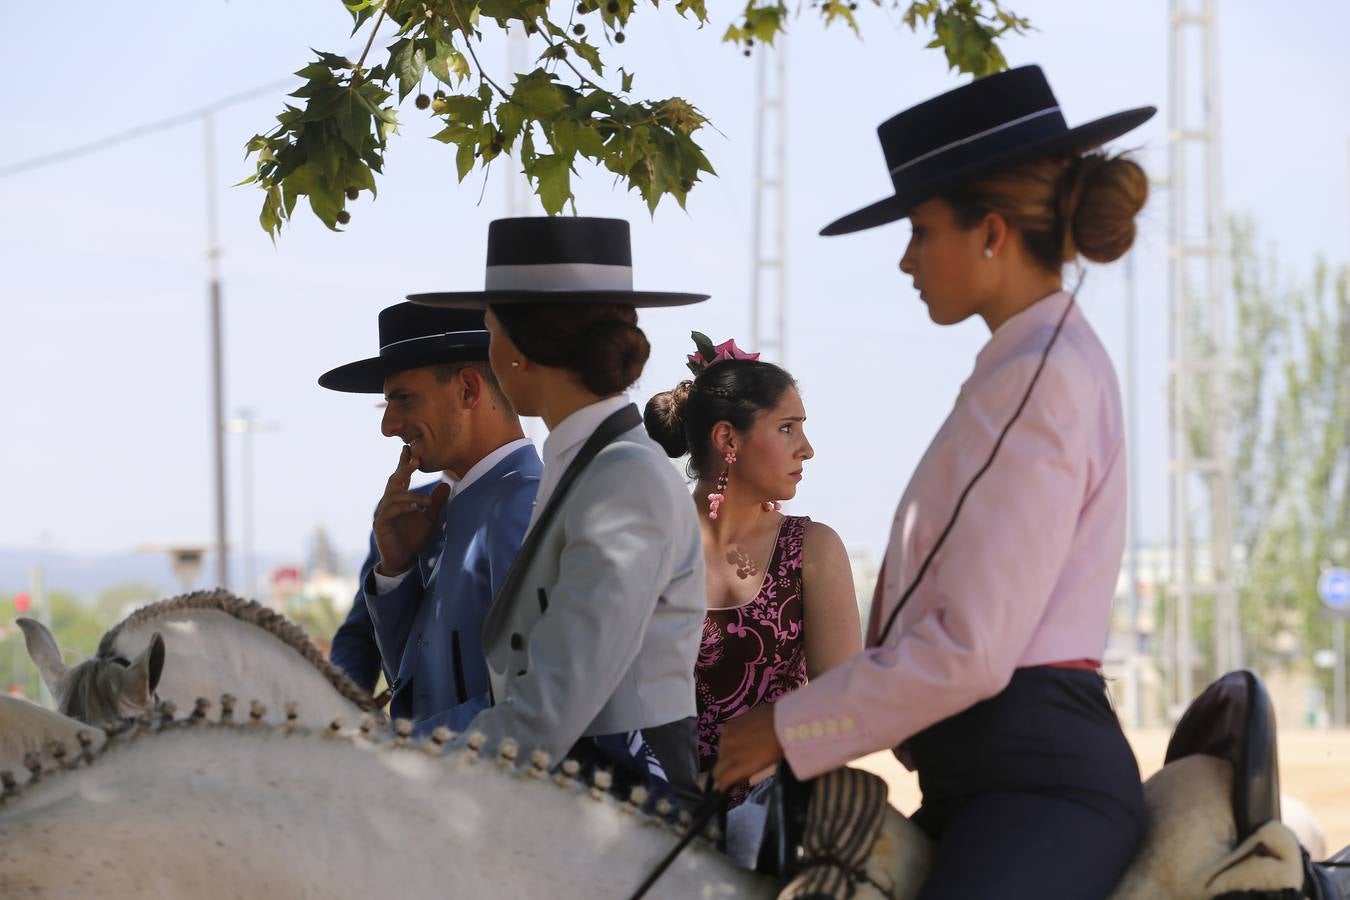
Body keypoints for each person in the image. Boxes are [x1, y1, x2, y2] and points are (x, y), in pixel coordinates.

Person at [715, 65, 1155, 898]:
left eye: (920, 231)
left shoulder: (1042, 378)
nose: (907, 260)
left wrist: (785, 725)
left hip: (1038, 791)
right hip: (986, 787)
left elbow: (972, 650)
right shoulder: (1023, 367)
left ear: (990, 232)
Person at [410, 216, 709, 798]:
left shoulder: (624, 478)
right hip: (575, 794)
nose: (489, 348)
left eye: (491, 328)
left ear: (520, 351)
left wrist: (393, 762)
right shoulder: (589, 464)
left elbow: (546, 712)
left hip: (621, 812)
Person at [643, 340, 861, 798]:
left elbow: (844, 710)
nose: (807, 449)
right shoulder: (646, 549)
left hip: (769, 827)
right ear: (728, 440)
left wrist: (737, 783)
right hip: (647, 820)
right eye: (787, 428)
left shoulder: (812, 549)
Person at [319, 303, 541, 733]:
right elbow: (413, 680)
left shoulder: (525, 505)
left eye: (403, 398)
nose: (388, 425)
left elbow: (530, 698)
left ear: (468, 390)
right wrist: (396, 570)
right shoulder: (442, 509)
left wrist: (401, 753)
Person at [329, 473, 448, 696]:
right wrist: (345, 702)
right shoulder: (401, 510)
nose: (389, 435)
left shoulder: (523, 503)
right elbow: (361, 632)